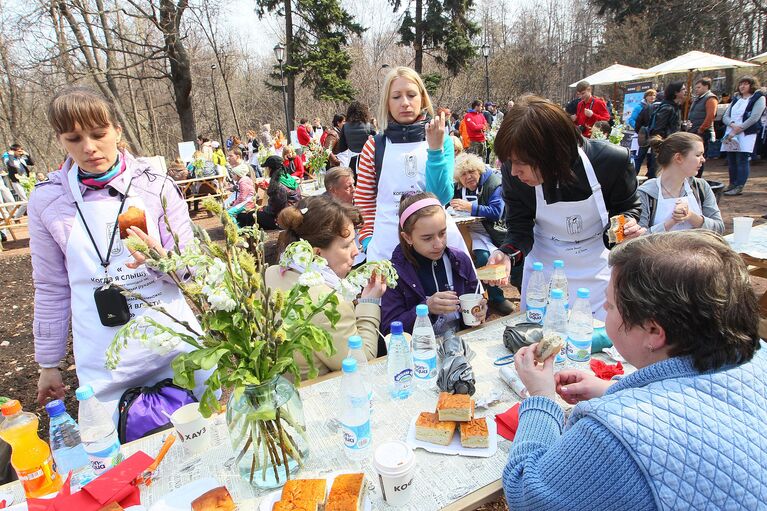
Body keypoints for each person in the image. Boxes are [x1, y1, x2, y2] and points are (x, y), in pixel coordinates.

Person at [503, 230, 766, 510]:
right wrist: (614, 390)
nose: (603, 310)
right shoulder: (757, 356)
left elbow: (527, 496)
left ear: (653, 331)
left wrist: (541, 396)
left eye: (610, 305)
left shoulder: (611, 435)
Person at [31, 86, 208, 417]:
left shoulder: (154, 186)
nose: (89, 148)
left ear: (117, 130)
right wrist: (48, 363)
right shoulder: (48, 201)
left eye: (99, 134)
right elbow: (51, 288)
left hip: (175, 349)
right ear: (60, 140)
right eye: (73, 139)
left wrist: (161, 260)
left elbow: (193, 271)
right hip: (106, 362)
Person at [486, 95, 643, 320]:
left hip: (598, 272)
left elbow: (629, 208)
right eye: (511, 162)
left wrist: (625, 227)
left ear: (551, 153)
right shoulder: (515, 176)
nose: (514, 172)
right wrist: (508, 254)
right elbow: (519, 227)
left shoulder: (611, 162)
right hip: (544, 272)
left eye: (521, 162)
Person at [265, 195, 386, 378]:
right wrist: (369, 302)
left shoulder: (272, 272)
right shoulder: (328, 302)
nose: (357, 250)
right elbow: (362, 361)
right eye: (346, 245)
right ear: (318, 253)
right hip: (314, 396)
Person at [354, 66, 462, 263]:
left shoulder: (442, 140)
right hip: (387, 247)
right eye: (396, 97)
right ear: (387, 102)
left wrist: (435, 150)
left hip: (437, 245)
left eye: (411, 95)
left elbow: (441, 196)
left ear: (422, 98)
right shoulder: (374, 145)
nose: (405, 103)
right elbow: (364, 202)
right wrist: (369, 239)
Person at [382, 192, 484, 336]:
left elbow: (475, 300)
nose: (438, 244)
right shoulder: (393, 273)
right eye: (427, 238)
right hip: (419, 352)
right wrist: (426, 309)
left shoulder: (460, 261)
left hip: (459, 344)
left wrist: (480, 312)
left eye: (442, 233)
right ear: (408, 237)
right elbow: (388, 329)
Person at [449, 153, 516, 314]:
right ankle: (471, 297)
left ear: (479, 170)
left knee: (487, 259)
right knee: (465, 257)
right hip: (467, 231)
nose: (468, 177)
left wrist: (469, 207)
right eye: (464, 174)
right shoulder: (459, 188)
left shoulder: (494, 183)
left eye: (472, 172)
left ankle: (498, 298)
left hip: (493, 231)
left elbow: (496, 212)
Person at [638, 133, 723, 234]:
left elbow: (719, 229)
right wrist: (672, 222)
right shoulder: (645, 193)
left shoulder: (700, 187)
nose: (703, 160)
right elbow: (639, 238)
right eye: (698, 155)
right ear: (678, 158)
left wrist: (691, 216)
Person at [722, 75, 765, 196]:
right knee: (731, 159)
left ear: (752, 85)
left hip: (746, 133)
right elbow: (726, 115)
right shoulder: (736, 98)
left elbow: (754, 117)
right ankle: (732, 183)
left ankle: (739, 185)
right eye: (741, 84)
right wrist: (732, 125)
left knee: (741, 159)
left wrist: (738, 129)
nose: (742, 86)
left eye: (746, 84)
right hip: (731, 132)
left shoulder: (758, 98)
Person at [239, 155, 301, 230]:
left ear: (270, 168)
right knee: (253, 219)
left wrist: (262, 208)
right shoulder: (287, 177)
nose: (266, 170)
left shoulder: (278, 184)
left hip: (284, 218)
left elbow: (274, 208)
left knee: (247, 216)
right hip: (295, 213)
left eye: (266, 168)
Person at [688, 78, 718, 177]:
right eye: (695, 87)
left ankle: (697, 177)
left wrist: (701, 129)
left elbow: (710, 116)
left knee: (699, 156)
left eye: (698, 87)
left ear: (706, 86)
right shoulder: (698, 99)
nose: (696, 89)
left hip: (702, 132)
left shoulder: (710, 99)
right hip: (694, 130)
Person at [334, 101, 376, 174]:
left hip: (352, 161)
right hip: (367, 161)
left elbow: (342, 147)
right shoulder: (369, 126)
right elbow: (376, 145)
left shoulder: (345, 127)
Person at [632, 89, 658, 177]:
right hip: (645, 135)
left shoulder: (657, 107)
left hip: (655, 136)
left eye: (654, 95)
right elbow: (634, 120)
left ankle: (650, 176)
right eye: (650, 95)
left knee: (652, 158)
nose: (652, 97)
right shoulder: (640, 107)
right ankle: (633, 175)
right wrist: (640, 132)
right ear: (646, 96)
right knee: (640, 156)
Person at [226, 150, 255, 223]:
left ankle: (236, 228)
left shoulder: (246, 168)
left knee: (228, 210)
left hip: (246, 199)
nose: (228, 158)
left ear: (238, 156)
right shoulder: (234, 167)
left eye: (231, 156)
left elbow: (248, 189)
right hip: (241, 195)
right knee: (225, 205)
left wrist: (235, 204)